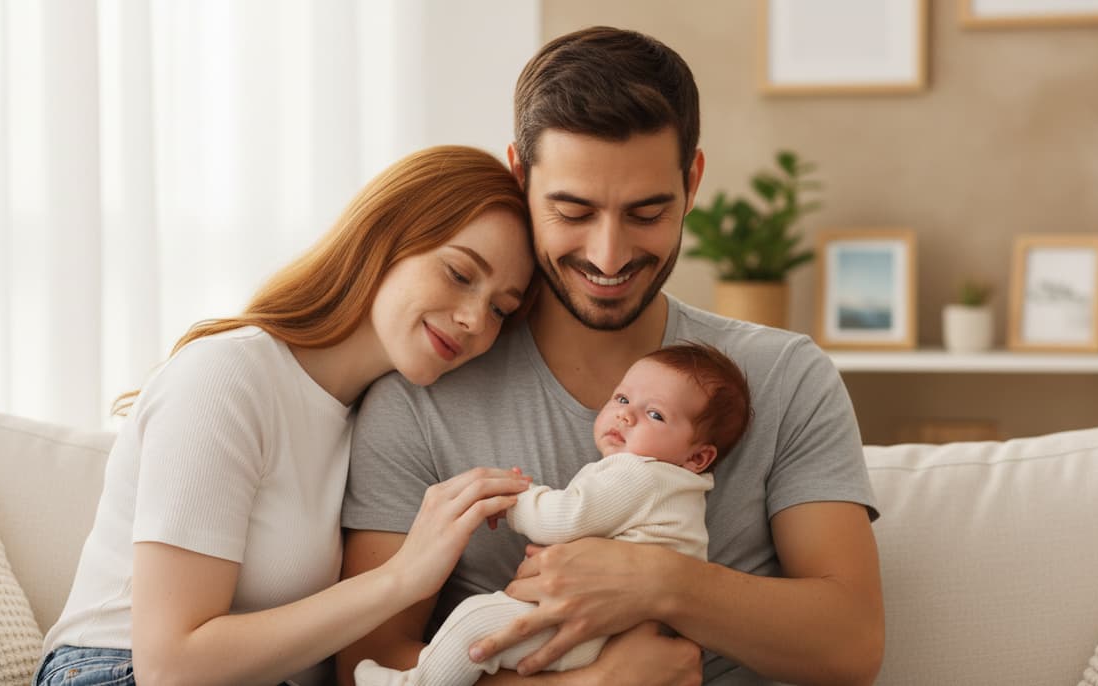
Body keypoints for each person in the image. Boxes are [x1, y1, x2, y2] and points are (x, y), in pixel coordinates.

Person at [339, 27, 884, 686]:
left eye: (647, 212)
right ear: (520, 176)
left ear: (693, 182)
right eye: (573, 211)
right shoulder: (421, 397)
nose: (608, 255)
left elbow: (852, 646)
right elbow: (366, 667)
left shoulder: (785, 376)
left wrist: (659, 582)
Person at [33, 145, 537, 686]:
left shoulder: (370, 419)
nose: (473, 321)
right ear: (383, 237)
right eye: (460, 273)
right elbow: (170, 666)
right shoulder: (228, 375)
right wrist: (400, 578)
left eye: (500, 310)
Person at [353, 343, 751, 686]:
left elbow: (564, 519)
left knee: (475, 619)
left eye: (656, 415)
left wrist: (517, 498)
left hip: (590, 631)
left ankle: (414, 682)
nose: (625, 416)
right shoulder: (675, 490)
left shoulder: (640, 474)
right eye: (623, 399)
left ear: (697, 457)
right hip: (614, 633)